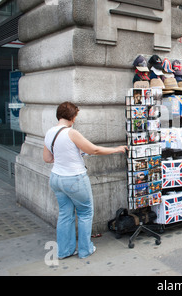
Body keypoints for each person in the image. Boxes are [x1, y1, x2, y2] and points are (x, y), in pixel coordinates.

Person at [43, 102, 128, 259]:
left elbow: (47, 158)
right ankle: (85, 249)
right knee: (85, 213)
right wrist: (116, 149)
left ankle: (64, 251)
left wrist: (66, 155)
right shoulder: (71, 133)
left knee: (64, 214)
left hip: (56, 178)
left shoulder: (50, 132)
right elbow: (94, 150)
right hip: (74, 178)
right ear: (73, 117)